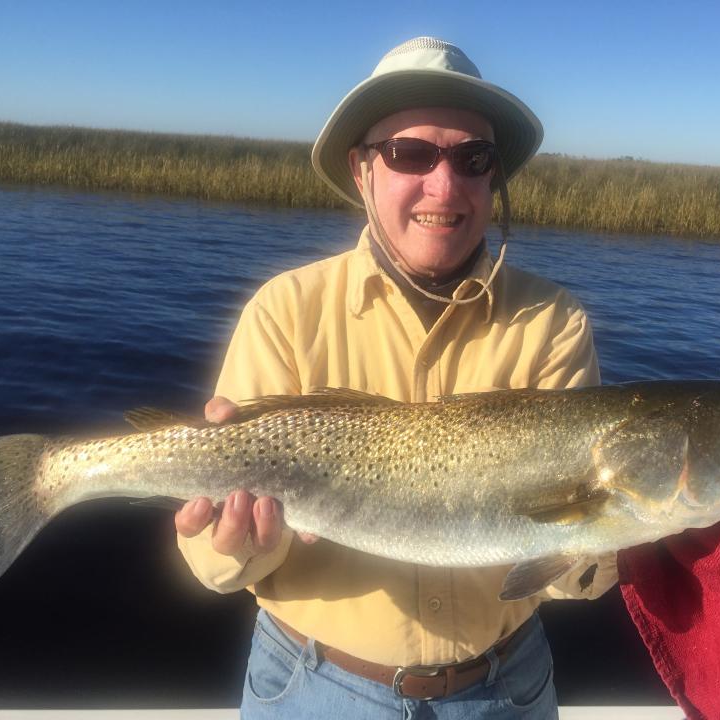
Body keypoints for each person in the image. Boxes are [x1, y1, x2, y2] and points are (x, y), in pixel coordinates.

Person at [175, 37, 614, 719]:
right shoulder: (285, 311)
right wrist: (235, 548)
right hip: (311, 685)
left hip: (505, 687)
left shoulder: (552, 321)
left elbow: (570, 571)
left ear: (493, 179)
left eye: (474, 159)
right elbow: (210, 565)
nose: (445, 186)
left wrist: (625, 527)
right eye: (412, 154)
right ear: (362, 171)